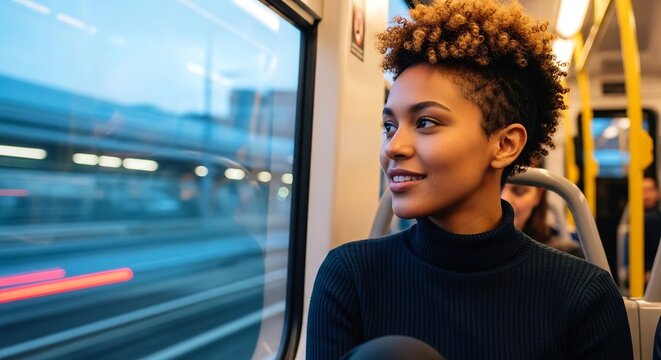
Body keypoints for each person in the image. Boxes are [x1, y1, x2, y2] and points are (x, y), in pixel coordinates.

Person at [307, 1, 633, 359]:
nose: (393, 147)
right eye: (389, 126)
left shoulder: (584, 296)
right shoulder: (350, 277)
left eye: (426, 122)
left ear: (505, 144)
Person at [501, 183, 583, 258]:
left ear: (538, 195)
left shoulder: (566, 257)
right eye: (496, 190)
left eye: (519, 190)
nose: (506, 201)